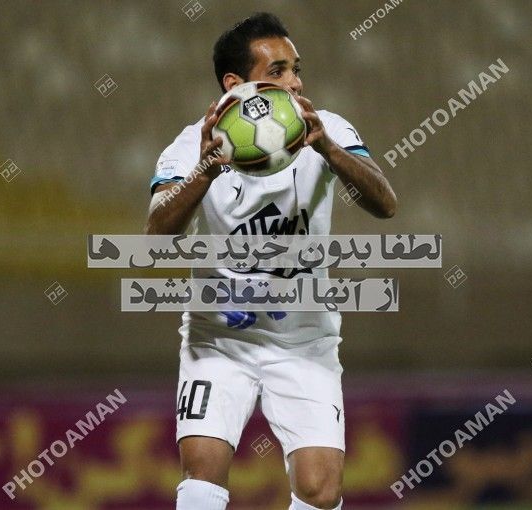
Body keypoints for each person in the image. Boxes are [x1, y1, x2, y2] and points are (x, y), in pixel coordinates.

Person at [145, 12, 397, 510]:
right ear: (235, 85)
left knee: (320, 491)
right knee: (202, 475)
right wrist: (205, 171)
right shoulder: (190, 146)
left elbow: (385, 203)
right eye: (278, 71)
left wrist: (329, 149)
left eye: (296, 69)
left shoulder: (327, 128)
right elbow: (155, 236)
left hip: (305, 338)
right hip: (219, 337)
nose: (295, 82)